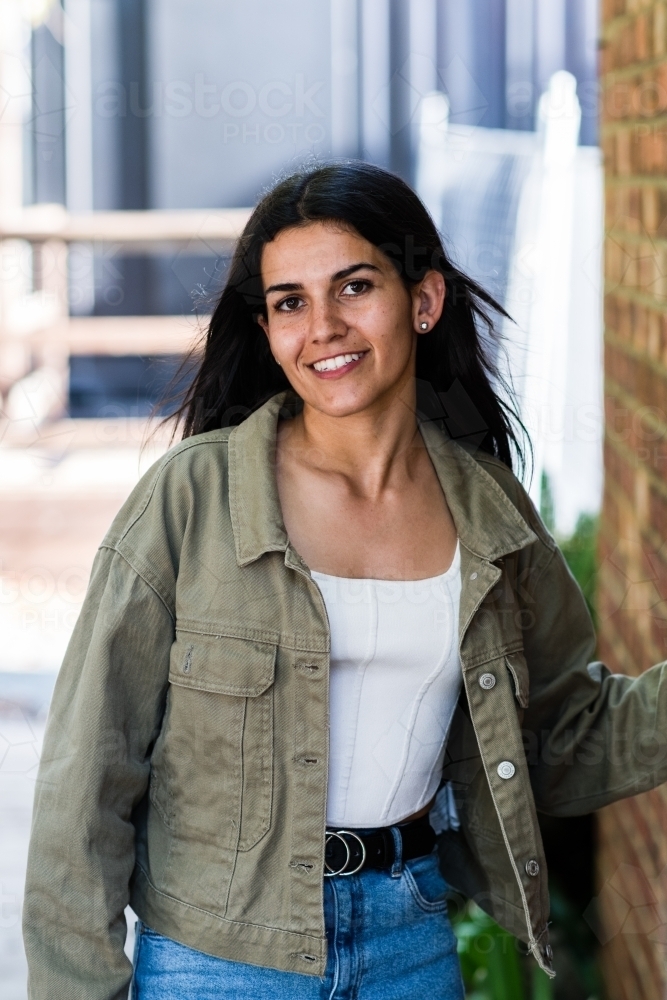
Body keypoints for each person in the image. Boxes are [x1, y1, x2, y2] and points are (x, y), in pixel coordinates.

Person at [23, 162, 667, 999]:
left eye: (354, 287)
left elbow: (560, 738)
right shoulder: (193, 498)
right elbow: (86, 779)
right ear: (267, 329)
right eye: (290, 302)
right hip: (216, 963)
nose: (322, 326)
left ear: (423, 300)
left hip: (410, 942)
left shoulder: (489, 515)